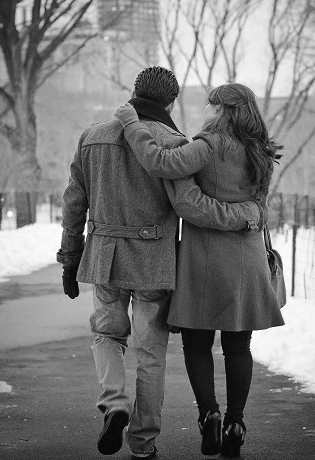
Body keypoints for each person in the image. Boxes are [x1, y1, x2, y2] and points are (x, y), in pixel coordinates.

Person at [57, 67, 263, 460]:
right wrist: (248, 213)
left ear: (135, 91)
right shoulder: (174, 142)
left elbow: (73, 202)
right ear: (170, 102)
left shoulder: (92, 137)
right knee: (151, 355)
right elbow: (189, 205)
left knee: (107, 335)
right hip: (153, 261)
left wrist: (70, 258)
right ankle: (143, 443)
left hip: (104, 256)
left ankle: (114, 404)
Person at [113, 82, 285, 457]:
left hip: (204, 259)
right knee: (238, 346)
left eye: (209, 103)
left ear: (221, 109)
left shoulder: (207, 145)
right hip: (248, 259)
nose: (205, 109)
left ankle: (209, 413)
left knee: (197, 344)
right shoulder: (260, 148)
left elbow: (160, 162)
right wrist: (246, 214)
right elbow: (258, 205)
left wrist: (131, 124)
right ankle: (236, 423)